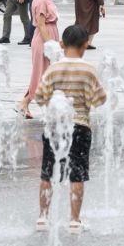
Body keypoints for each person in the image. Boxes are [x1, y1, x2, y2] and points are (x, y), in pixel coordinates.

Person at [34, 24, 107, 233]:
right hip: (80, 127)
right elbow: (99, 99)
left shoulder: (53, 69)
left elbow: (39, 97)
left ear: (62, 44)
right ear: (85, 45)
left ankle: (42, 218)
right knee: (77, 174)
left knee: (47, 173)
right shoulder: (89, 70)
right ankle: (74, 220)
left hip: (54, 127)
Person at [18, 0, 59, 119]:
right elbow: (41, 25)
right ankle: (25, 103)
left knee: (46, 73)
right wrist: (51, 45)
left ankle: (26, 104)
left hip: (49, 36)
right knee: (41, 74)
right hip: (43, 39)